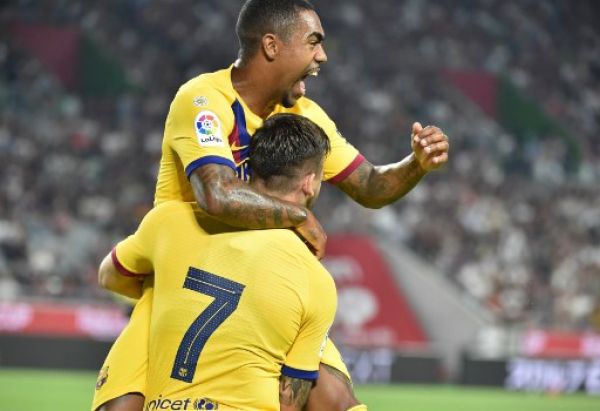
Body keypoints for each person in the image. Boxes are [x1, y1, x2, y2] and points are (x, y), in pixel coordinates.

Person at [93, 0, 448, 409]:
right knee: (122, 406)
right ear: (271, 45)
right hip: (184, 282)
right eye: (314, 42)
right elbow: (216, 194)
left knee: (333, 396)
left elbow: (369, 185)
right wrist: (299, 215)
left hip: (265, 286)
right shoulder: (204, 100)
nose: (323, 56)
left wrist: (416, 164)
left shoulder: (306, 118)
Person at [96, 114, 349, 411]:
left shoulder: (170, 220)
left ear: (250, 171)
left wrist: (169, 292)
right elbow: (290, 401)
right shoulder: (314, 279)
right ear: (309, 183)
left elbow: (108, 276)